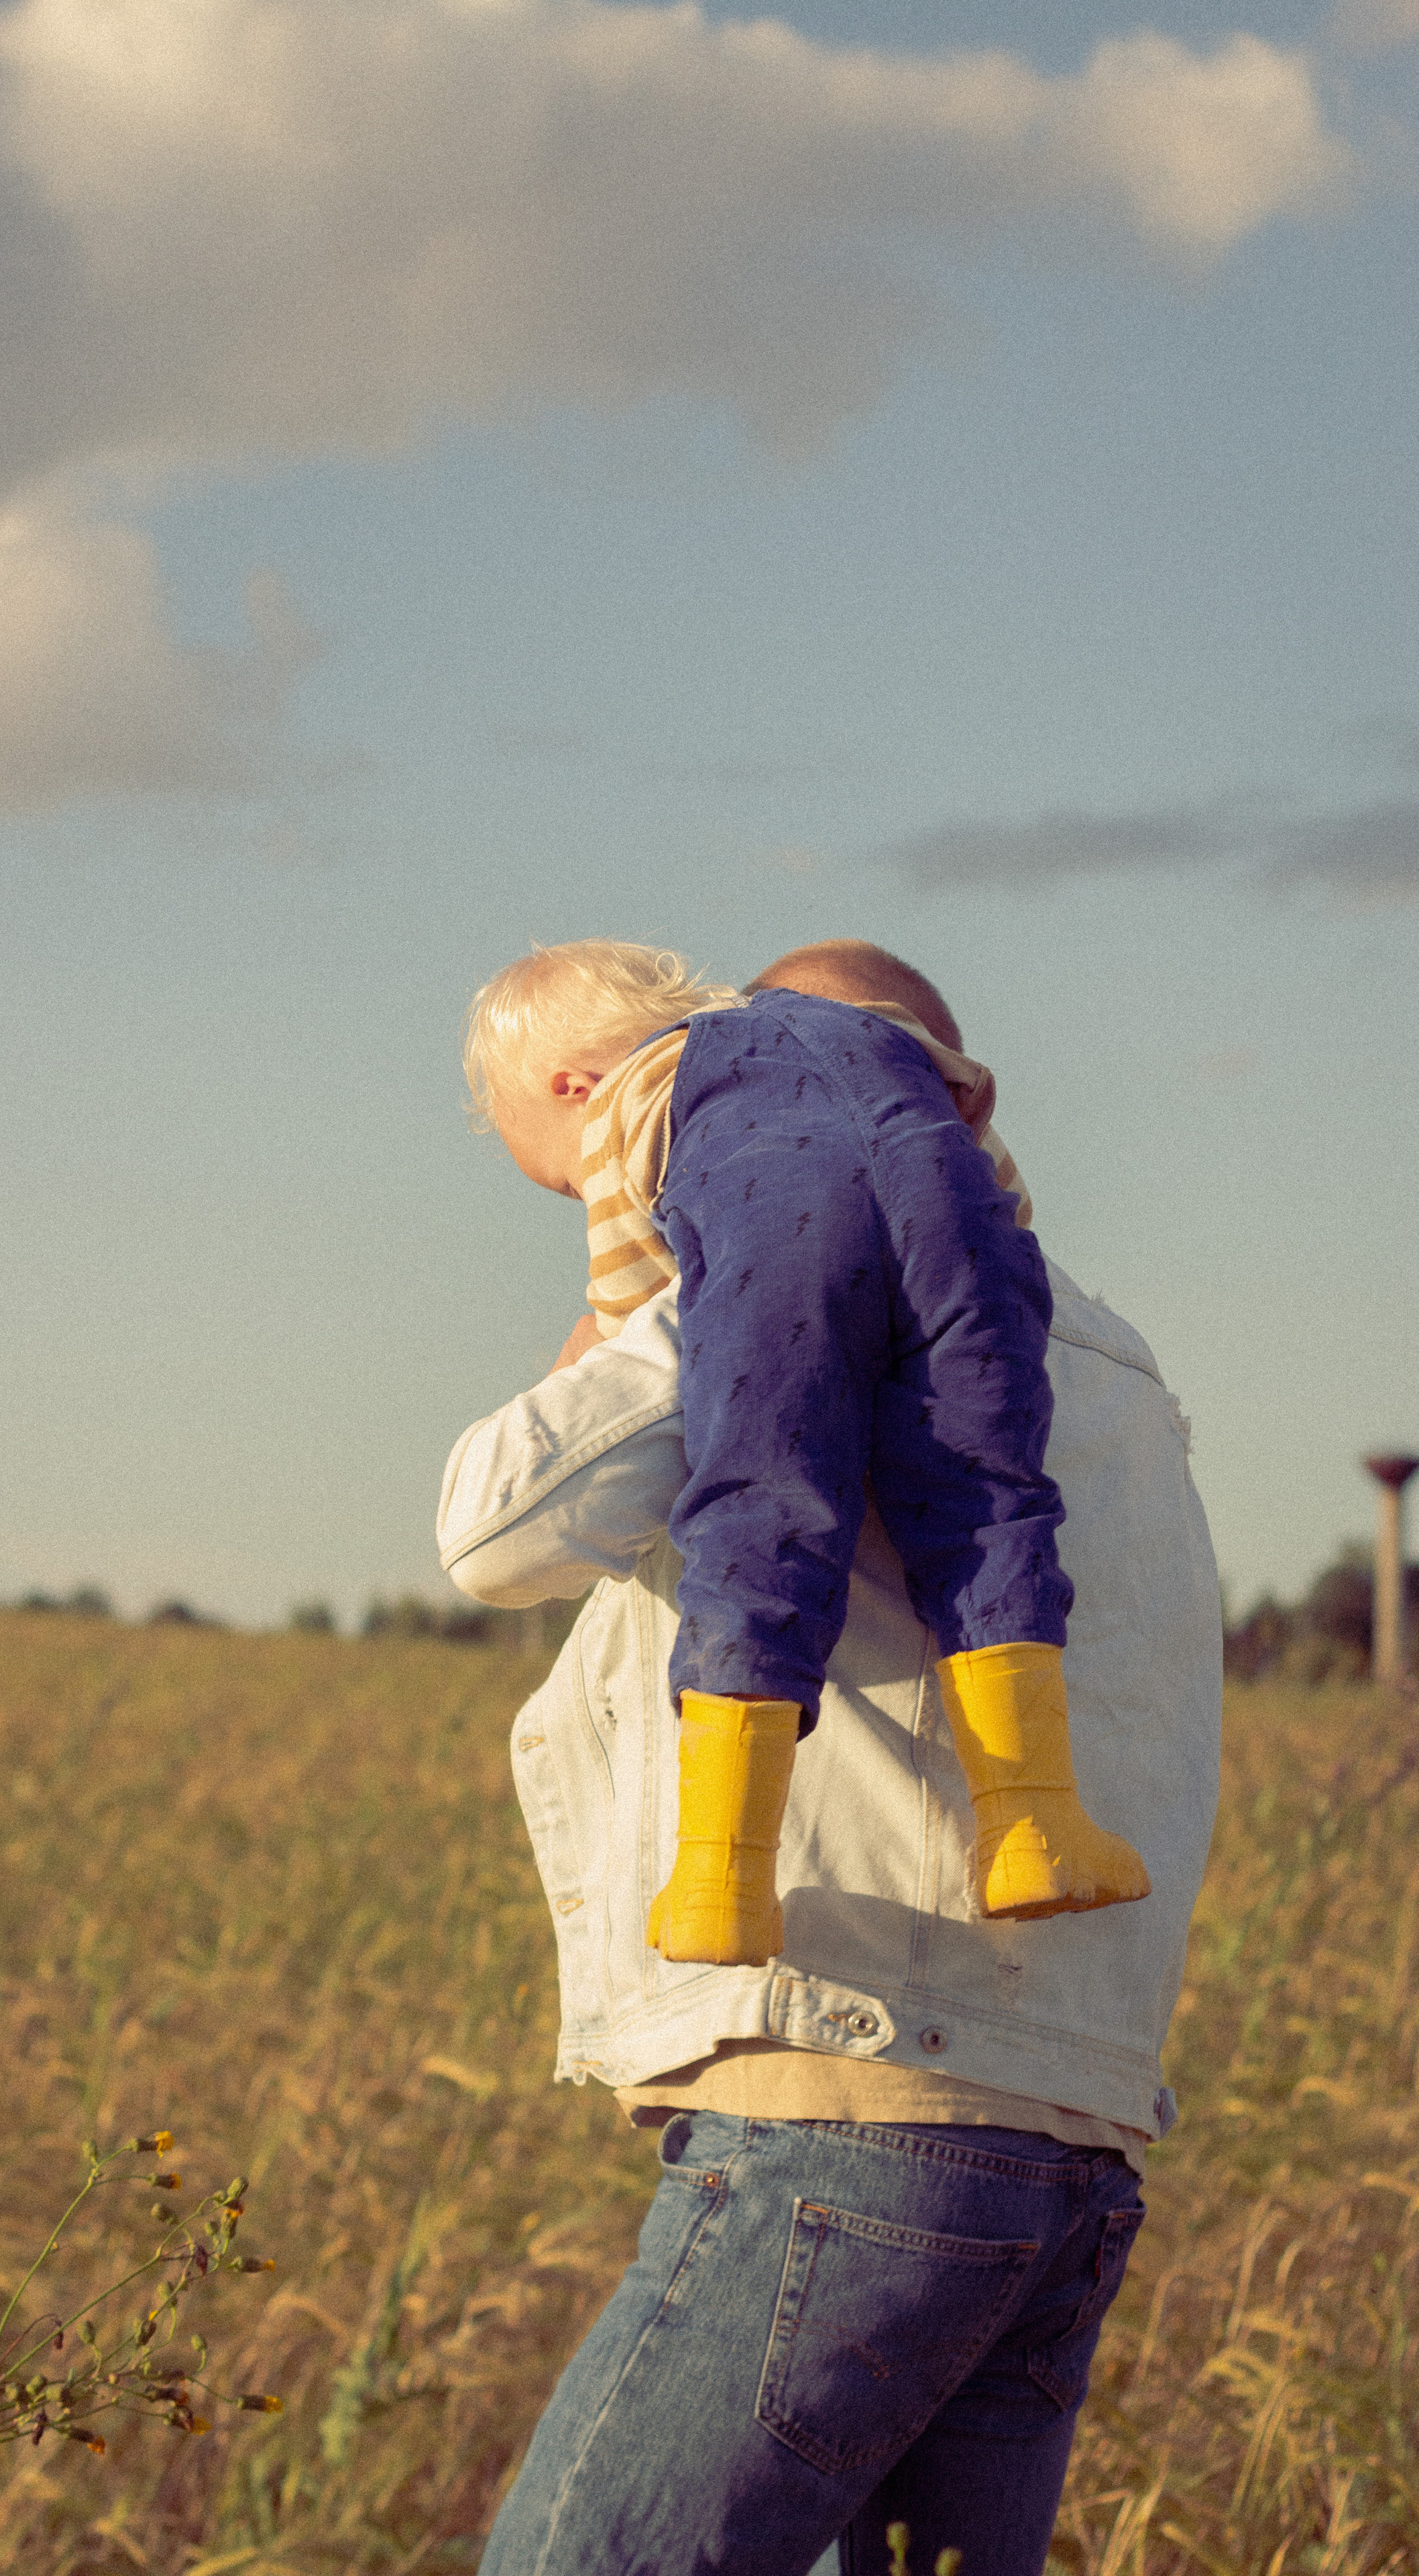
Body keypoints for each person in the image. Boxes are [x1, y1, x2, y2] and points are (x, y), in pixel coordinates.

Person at [437, 942, 1222, 2576]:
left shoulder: (761, 1277)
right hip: (1072, 2144)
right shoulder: (1122, 1373)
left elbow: (494, 1527)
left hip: (851, 2102)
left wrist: (623, 1294)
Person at [462, 938, 1147, 1954]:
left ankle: (720, 1882)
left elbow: (634, 1296)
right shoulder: (895, 1049)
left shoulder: (641, 1095)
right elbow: (997, 1197)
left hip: (782, 1238)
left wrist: (600, 1330)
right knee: (986, 1492)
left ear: (573, 1086)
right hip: (953, 1214)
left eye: (554, 1177)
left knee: (764, 1508)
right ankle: (1033, 1825)